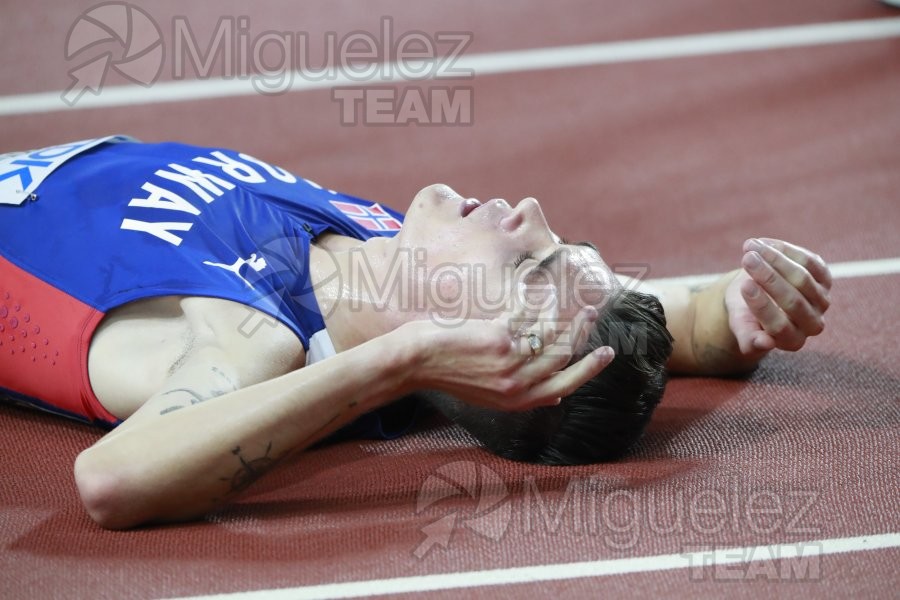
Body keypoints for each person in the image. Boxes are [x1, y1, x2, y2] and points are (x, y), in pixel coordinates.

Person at [0, 137, 832, 529]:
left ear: (459, 343)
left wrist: (400, 362)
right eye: (561, 242)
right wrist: (737, 310)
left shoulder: (250, 339)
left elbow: (113, 482)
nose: (531, 211)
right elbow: (657, 326)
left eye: (527, 262)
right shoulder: (381, 252)